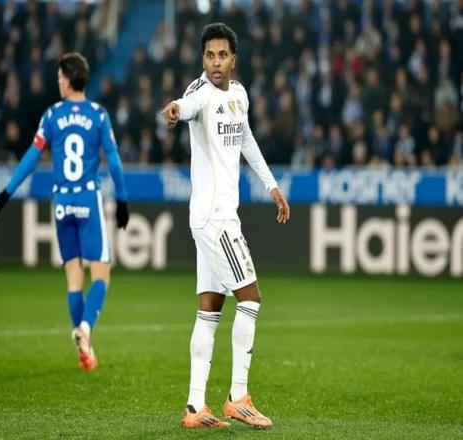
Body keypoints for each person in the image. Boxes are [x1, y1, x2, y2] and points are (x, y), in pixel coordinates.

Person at [162, 23, 290, 429]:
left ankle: (194, 406)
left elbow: (246, 139)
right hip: (215, 219)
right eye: (209, 55)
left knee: (210, 311)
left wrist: (271, 185)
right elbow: (186, 107)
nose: (215, 62)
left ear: (233, 59)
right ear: (203, 59)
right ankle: (238, 397)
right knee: (250, 299)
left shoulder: (239, 95)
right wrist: (175, 110)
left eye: (222, 55)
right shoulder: (199, 94)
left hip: (213, 219)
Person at [0, 52, 129, 371]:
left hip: (62, 203)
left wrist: (6, 193)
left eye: (59, 77)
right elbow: (114, 160)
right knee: (102, 273)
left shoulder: (52, 115)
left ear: (68, 79)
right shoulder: (98, 114)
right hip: (88, 198)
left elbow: (32, 156)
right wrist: (122, 200)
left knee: (73, 277)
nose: (58, 82)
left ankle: (85, 350)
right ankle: (85, 329)